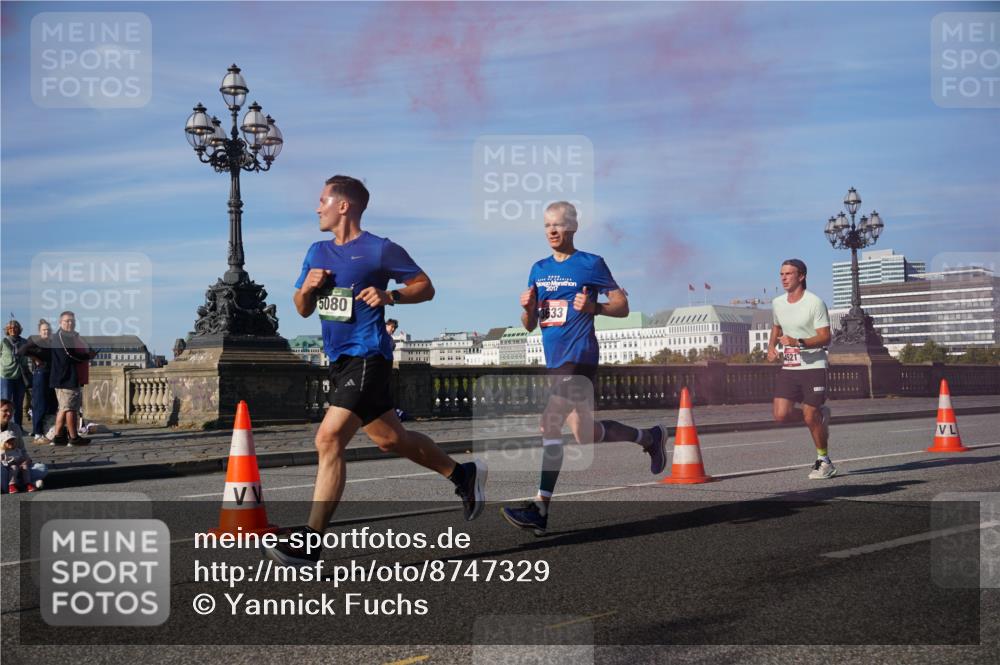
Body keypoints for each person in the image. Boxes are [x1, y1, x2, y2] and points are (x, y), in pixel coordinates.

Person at [262, 175, 486, 566]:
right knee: (389, 439)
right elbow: (301, 308)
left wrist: (391, 295)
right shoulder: (316, 251)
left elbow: (425, 286)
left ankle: (310, 542)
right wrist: (308, 288)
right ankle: (461, 475)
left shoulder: (379, 250)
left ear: (343, 205)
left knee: (328, 439)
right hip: (338, 360)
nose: (317, 208)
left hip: (368, 355)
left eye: (322, 200)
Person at [501, 201, 666, 536]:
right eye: (547, 225)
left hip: (581, 356)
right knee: (584, 433)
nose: (551, 231)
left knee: (548, 422)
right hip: (555, 359)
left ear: (572, 227)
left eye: (558, 225)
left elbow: (622, 305)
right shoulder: (538, 268)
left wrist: (595, 307)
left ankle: (540, 507)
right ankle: (649, 437)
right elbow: (530, 324)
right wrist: (528, 309)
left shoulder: (590, 263)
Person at [767, 259, 835, 479]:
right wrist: (771, 347)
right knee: (780, 414)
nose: (784, 278)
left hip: (813, 366)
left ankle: (824, 461)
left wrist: (799, 342)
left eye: (788, 274)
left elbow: (826, 336)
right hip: (790, 367)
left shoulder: (815, 303)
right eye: (781, 274)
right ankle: (818, 417)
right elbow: (777, 326)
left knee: (809, 414)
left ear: (802, 276)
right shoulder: (777, 303)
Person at [20, 311, 95, 447]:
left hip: (63, 377)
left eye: (72, 321)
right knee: (69, 408)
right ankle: (73, 437)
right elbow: (69, 356)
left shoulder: (65, 337)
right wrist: (86, 356)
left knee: (63, 408)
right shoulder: (61, 337)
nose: (70, 323)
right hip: (64, 377)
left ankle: (59, 436)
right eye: (66, 321)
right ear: (60, 323)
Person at [0, 399, 46, 492]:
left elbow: (22, 449)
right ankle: (24, 483)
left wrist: (26, 460)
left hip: (16, 465)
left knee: (42, 468)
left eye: (11, 411)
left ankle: (15, 484)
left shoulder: (15, 427)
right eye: (5, 411)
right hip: (3, 466)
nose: (9, 414)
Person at [28, 319, 56, 444]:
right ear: (40, 332)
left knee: (52, 404)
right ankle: (37, 433)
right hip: (40, 374)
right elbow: (23, 351)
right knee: (40, 404)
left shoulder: (52, 343)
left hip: (52, 374)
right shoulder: (36, 342)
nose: (46, 332)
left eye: (48, 330)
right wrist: (35, 358)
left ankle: (47, 431)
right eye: (44, 330)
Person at [0, 320, 30, 429]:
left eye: (15, 327)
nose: (13, 329)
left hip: (20, 375)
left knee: (19, 402)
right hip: (6, 375)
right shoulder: (3, 341)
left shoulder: (25, 342)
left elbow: (31, 354)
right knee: (5, 401)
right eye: (10, 328)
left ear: (19, 329)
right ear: (7, 330)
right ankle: (3, 426)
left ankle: (18, 426)